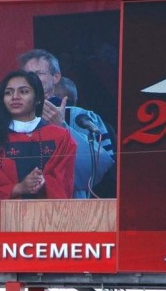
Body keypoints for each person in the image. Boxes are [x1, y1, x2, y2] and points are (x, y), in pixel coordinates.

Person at [0, 70, 76, 217]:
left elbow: (66, 183)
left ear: (37, 98)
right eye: (8, 93)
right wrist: (19, 188)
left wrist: (43, 182)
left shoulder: (60, 136)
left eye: (23, 92)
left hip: (50, 219)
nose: (15, 97)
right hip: (5, 224)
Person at [19, 49, 115, 198]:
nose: (32, 79)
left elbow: (98, 168)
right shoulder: (11, 119)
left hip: (71, 207)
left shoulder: (79, 117)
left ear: (56, 77)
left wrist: (62, 126)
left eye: (39, 73)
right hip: (20, 207)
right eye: (27, 75)